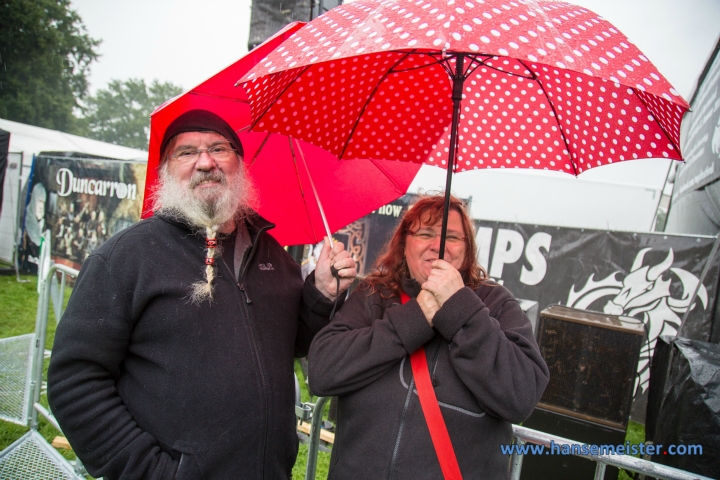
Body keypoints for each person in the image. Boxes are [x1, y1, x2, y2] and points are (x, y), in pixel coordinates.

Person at [47, 109, 357, 480]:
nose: (205, 162)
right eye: (186, 152)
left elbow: (287, 343)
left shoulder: (272, 252)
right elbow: (75, 381)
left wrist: (321, 292)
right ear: (166, 170)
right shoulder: (126, 258)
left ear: (239, 164)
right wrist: (153, 473)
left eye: (219, 148)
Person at [308, 194, 549, 479]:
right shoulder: (375, 294)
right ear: (404, 243)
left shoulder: (496, 304)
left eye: (454, 237)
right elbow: (322, 370)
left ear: (468, 250)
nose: (439, 245)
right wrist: (416, 318)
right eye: (425, 233)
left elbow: (521, 396)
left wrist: (461, 308)